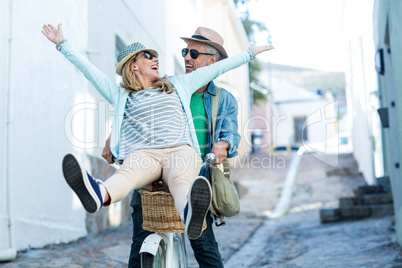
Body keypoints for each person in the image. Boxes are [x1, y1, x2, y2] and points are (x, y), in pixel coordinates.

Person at [42, 23, 273, 241]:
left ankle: (189, 213)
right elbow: (89, 72)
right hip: (145, 155)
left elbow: (220, 66)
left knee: (181, 180)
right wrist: (63, 45)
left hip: (179, 151)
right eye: (149, 56)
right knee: (127, 174)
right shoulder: (122, 96)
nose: (156, 59)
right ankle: (99, 194)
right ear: (134, 65)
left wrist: (249, 54)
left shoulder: (179, 84)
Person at [102, 27, 242, 267]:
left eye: (194, 54)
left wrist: (223, 144)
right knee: (139, 249)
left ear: (212, 61)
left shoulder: (223, 98)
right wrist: (113, 136)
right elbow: (135, 112)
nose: (187, 57)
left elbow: (230, 132)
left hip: (193, 179)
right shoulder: (166, 86)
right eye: (185, 51)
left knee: (205, 249)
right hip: (149, 179)